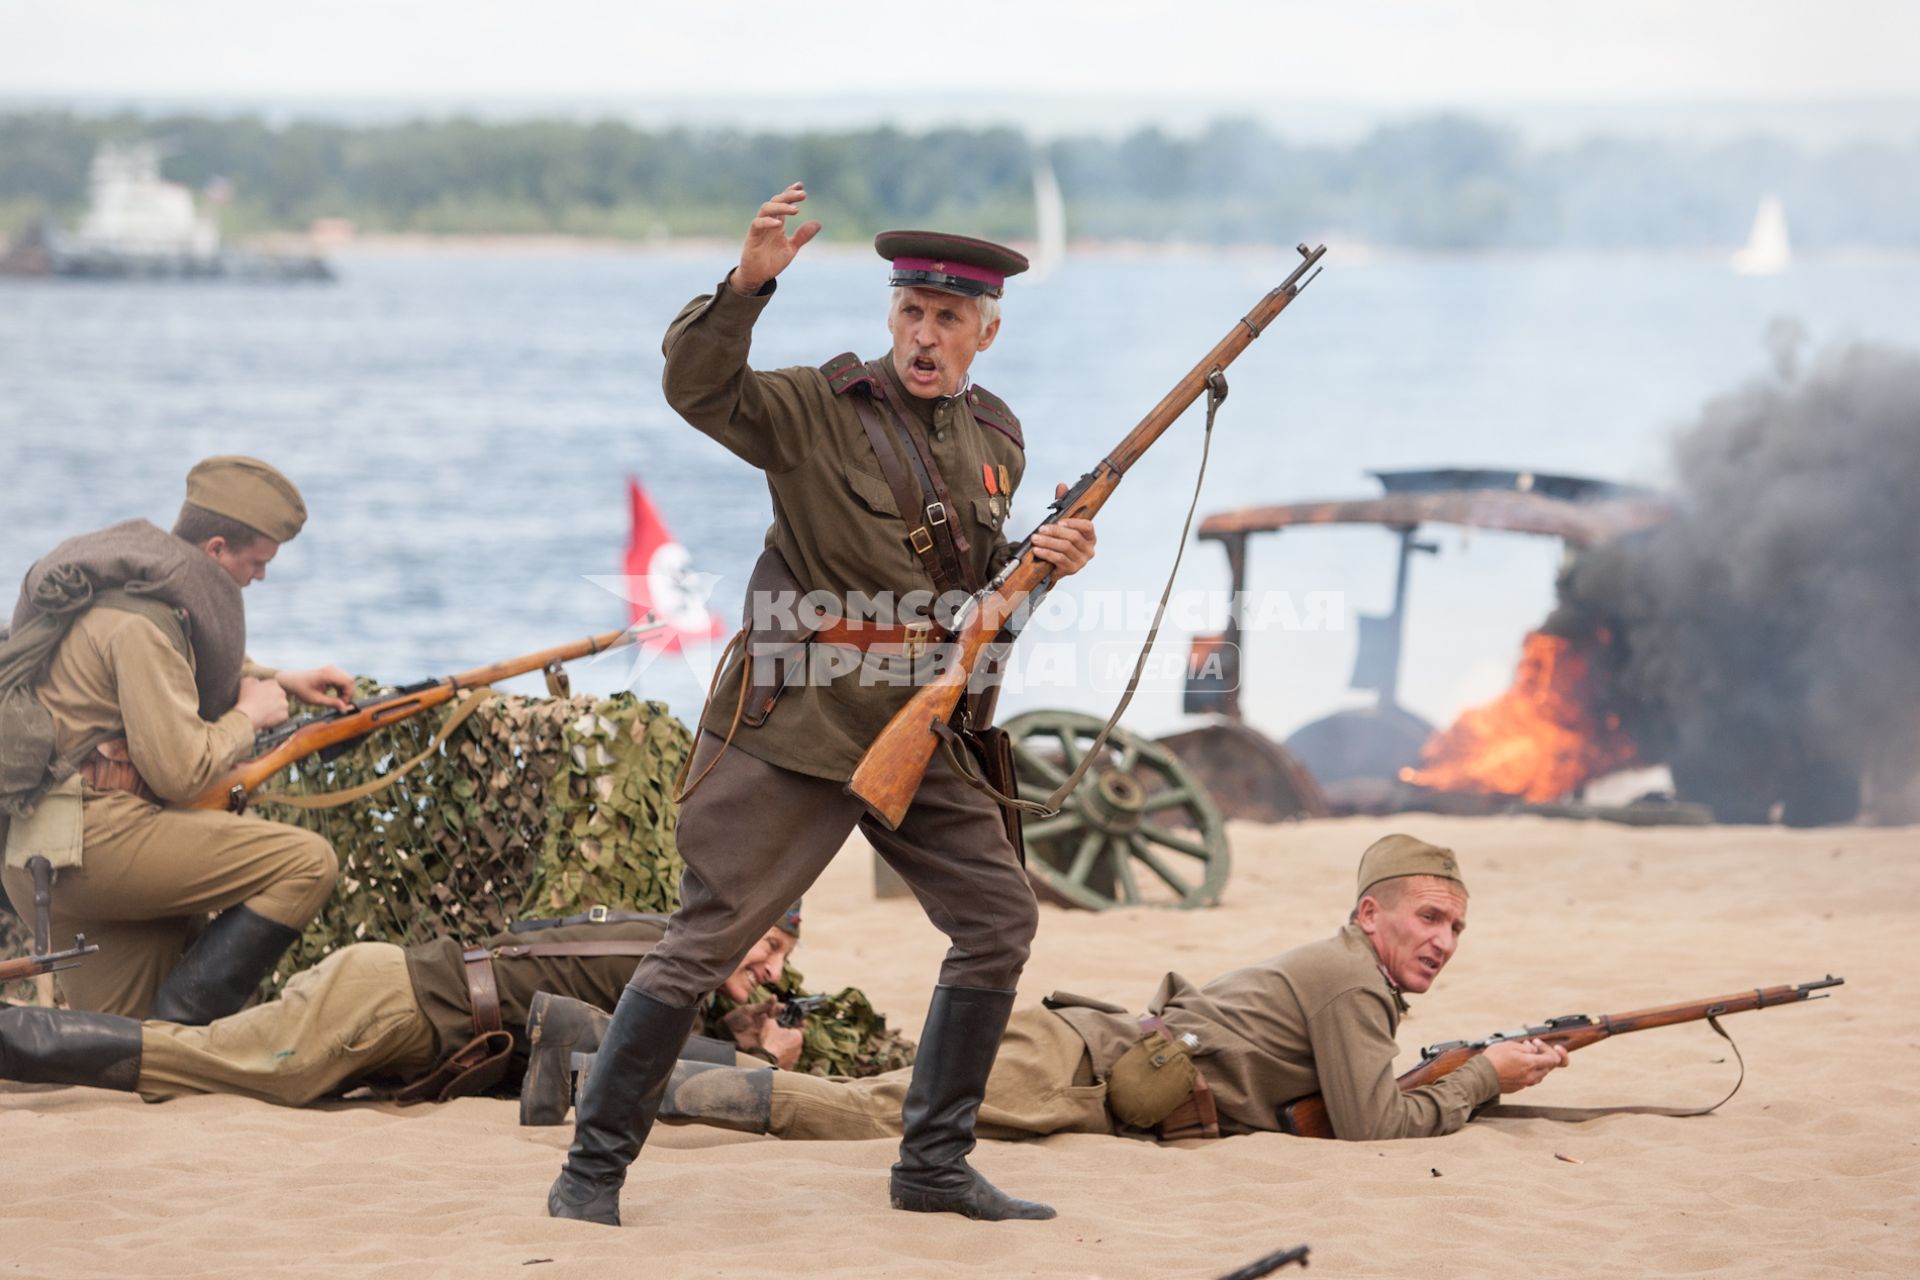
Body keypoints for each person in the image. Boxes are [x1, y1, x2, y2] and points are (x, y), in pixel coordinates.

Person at [546, 183, 1098, 1228]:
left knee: (998, 920)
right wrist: (748, 284)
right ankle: (591, 1171)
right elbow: (698, 387)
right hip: (799, 723)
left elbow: (973, 594)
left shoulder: (996, 435)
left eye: (948, 318)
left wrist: (1047, 564)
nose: (926, 335)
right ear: (892, 315)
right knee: (706, 941)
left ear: (987, 330)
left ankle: (933, 1163)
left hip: (922, 724)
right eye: (912, 313)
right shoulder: (814, 408)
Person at [649, 835, 1570, 1145]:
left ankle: (612, 1061)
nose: (1443, 941)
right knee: (873, 1117)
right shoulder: (1351, 983)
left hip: (1082, 1061)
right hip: (1074, 1067)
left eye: (1455, 927)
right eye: (1427, 919)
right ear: (1371, 916)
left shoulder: (1347, 972)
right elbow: (1376, 1130)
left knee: (871, 1105)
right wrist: (1484, 1076)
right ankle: (625, 1079)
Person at [1, 457, 354, 1023]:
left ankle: (163, 1043)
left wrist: (278, 679)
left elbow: (169, 673)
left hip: (38, 855)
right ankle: (185, 1043)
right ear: (215, 549)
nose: (259, 577)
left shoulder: (118, 586)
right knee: (307, 862)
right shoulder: (142, 625)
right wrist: (249, 716)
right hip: (97, 844)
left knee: (125, 1038)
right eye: (256, 562)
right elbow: (182, 772)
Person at [0, 906, 806, 1111]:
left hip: (389, 991)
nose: (770, 969)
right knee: (195, 1062)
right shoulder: (666, 968)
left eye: (781, 960)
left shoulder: (666, 944)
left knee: (198, 1048)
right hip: (388, 1006)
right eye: (765, 945)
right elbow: (635, 1070)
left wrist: (723, 1029)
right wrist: (761, 1063)